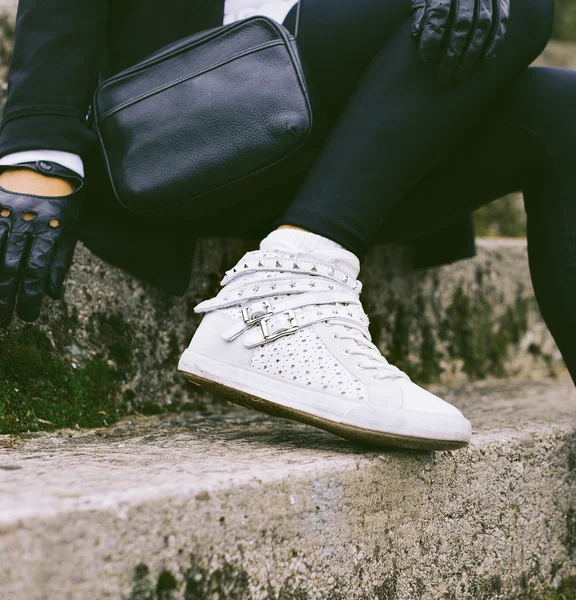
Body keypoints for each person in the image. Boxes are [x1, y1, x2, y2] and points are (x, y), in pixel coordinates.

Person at [0, 0, 563, 450]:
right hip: (186, 122)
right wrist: (38, 137)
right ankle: (295, 278)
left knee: (563, 111)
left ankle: (305, 256)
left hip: (361, 145)